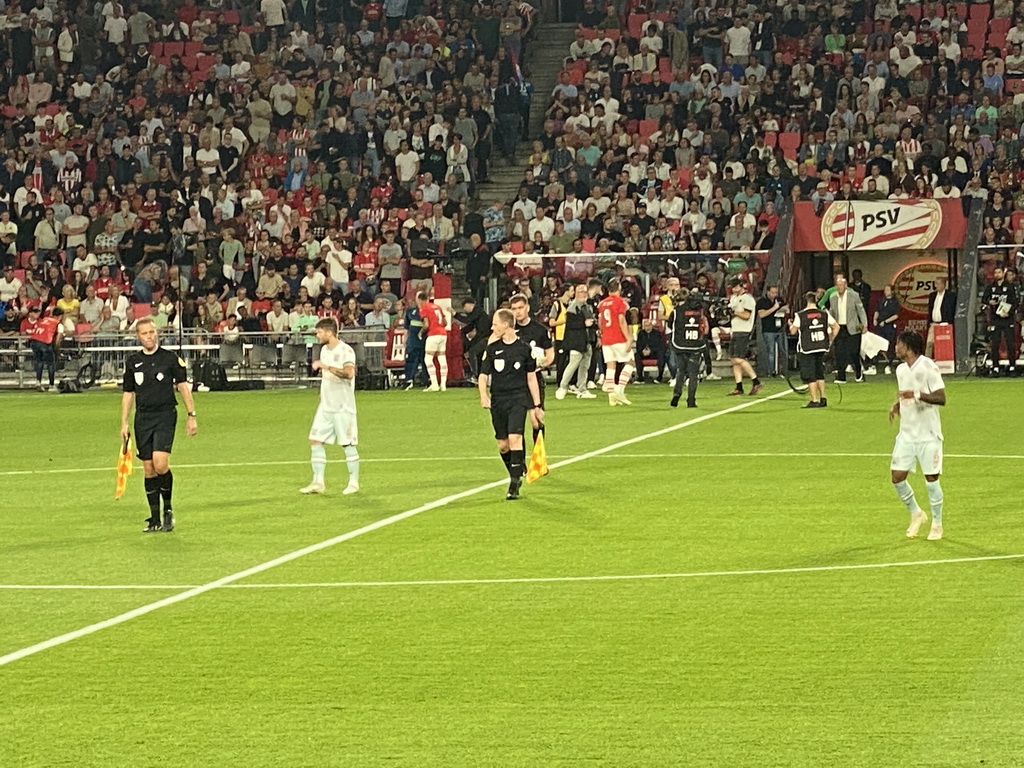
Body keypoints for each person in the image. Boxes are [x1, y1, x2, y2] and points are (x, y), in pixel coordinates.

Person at [120, 318, 198, 533]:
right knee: (148, 469)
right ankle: (154, 518)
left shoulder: (170, 358)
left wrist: (192, 415)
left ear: (157, 333)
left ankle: (168, 509)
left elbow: (183, 387)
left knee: (160, 463)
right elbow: (128, 393)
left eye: (152, 332)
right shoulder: (133, 361)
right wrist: (124, 422)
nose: (149, 336)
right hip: (142, 418)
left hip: (164, 415)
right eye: (144, 333)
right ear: (138, 336)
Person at [478, 308, 544, 501]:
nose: (492, 327)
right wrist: (483, 395)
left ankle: (514, 484)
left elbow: (531, 378)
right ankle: (515, 469)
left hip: (518, 398)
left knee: (515, 438)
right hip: (498, 400)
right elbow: (483, 376)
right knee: (503, 445)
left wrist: (536, 405)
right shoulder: (492, 349)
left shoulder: (524, 349)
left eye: (495, 324)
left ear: (506, 325)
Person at [888, 331, 947, 541]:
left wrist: (917, 394)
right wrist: (897, 405)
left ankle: (937, 524)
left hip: (928, 434)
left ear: (908, 346)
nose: (896, 347)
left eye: (898, 343)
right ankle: (916, 513)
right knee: (897, 477)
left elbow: (941, 398)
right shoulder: (901, 370)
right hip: (907, 434)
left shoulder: (928, 366)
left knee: (931, 479)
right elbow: (906, 393)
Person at [301, 317, 360, 496]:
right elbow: (326, 377)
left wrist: (326, 366)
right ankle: (318, 482)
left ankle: (354, 482)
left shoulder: (346, 351)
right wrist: (322, 393)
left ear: (328, 332)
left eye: (319, 332)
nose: (317, 336)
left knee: (347, 444)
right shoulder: (324, 350)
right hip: (326, 405)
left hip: (343, 406)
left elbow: (349, 374)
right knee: (315, 439)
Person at [509, 292, 554, 439]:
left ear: (527, 308)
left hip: (533, 379)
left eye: (520, 307)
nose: (518, 311)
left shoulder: (539, 330)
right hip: (514, 382)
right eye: (514, 308)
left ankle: (539, 456)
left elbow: (550, 355)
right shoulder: (509, 330)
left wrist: (541, 365)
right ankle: (518, 459)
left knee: (536, 421)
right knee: (516, 425)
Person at [789, 292, 838, 408]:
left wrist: (790, 324)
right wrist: (829, 339)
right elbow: (836, 327)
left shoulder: (800, 315)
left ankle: (814, 400)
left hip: (807, 348)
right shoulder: (824, 314)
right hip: (821, 346)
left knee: (810, 375)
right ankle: (823, 398)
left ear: (806, 301)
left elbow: (793, 331)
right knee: (819, 373)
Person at [667, 288, 708, 408]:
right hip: (696, 344)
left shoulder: (676, 312)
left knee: (681, 371)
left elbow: (670, 325)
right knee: (693, 374)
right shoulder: (698, 311)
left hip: (680, 344)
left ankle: (677, 393)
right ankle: (691, 400)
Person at [555, 283, 597, 400]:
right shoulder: (572, 308)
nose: (583, 294)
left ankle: (582, 389)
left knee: (584, 367)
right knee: (572, 365)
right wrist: (584, 324)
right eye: (581, 292)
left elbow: (591, 323)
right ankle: (563, 386)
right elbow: (570, 325)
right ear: (576, 294)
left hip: (587, 341)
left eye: (585, 292)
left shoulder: (588, 307)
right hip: (576, 342)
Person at [597, 277, 634, 406]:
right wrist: (628, 338)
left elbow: (600, 321)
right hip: (618, 337)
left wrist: (601, 335)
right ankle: (620, 391)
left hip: (606, 338)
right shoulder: (620, 302)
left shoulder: (602, 304)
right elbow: (621, 320)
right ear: (619, 289)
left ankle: (611, 395)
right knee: (630, 362)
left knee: (610, 365)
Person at [828, 273, 868, 383]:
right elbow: (832, 312)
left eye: (841, 285)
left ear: (845, 285)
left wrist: (864, 324)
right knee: (839, 353)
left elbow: (861, 310)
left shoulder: (854, 295)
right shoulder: (832, 297)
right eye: (838, 285)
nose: (839, 287)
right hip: (839, 328)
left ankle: (859, 371)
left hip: (853, 327)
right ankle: (841, 376)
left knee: (854, 351)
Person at [726, 278, 763, 396]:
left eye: (735, 286)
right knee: (734, 360)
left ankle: (756, 381)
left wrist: (733, 312)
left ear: (741, 286)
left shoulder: (748, 299)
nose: (733, 289)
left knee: (739, 358)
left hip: (744, 331)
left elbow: (747, 315)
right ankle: (739, 387)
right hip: (735, 330)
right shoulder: (733, 298)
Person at [982, 266, 1018, 373]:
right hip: (995, 318)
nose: (997, 274)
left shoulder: (1010, 286)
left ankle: (1012, 366)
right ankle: (995, 367)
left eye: (999, 272)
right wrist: (989, 302)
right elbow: (984, 299)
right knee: (995, 343)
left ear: (1003, 273)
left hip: (1007, 319)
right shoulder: (990, 286)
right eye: (995, 272)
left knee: (1010, 343)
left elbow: (1015, 302)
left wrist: (1008, 312)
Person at [21, 305, 63, 391]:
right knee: (51, 364)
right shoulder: (58, 324)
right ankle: (51, 385)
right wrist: (56, 350)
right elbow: (58, 340)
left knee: (39, 362)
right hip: (45, 343)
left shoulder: (44, 320)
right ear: (61, 316)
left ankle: (38, 382)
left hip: (34, 342)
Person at [416, 291, 448, 391]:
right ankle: (443, 385)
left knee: (428, 359)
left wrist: (420, 332)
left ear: (420, 300)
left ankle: (434, 384)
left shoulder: (424, 308)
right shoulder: (436, 306)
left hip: (433, 334)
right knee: (442, 359)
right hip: (443, 334)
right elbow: (445, 322)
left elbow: (426, 324)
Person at [756, 285, 788, 376]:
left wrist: (784, 309)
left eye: (776, 293)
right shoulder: (762, 302)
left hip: (780, 329)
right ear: (768, 292)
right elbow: (762, 314)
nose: (775, 295)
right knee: (771, 351)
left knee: (783, 350)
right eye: (773, 292)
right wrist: (774, 308)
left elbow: (787, 308)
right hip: (768, 330)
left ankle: (783, 371)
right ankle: (771, 371)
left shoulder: (779, 300)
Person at [925, 277, 955, 358]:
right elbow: (930, 309)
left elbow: (951, 309)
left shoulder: (950, 295)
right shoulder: (932, 295)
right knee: (929, 343)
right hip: (934, 323)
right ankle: (927, 361)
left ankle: (944, 360)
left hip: (944, 324)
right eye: (935, 283)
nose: (936, 285)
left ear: (943, 284)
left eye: (938, 284)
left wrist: (949, 322)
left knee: (943, 344)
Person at [873, 284, 900, 373]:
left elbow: (896, 315)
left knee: (889, 344)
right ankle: (874, 364)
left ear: (892, 291)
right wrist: (875, 319)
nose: (886, 291)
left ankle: (889, 364)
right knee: (878, 344)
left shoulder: (895, 302)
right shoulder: (881, 300)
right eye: (885, 290)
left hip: (889, 326)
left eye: (888, 290)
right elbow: (877, 310)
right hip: (880, 326)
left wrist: (885, 321)